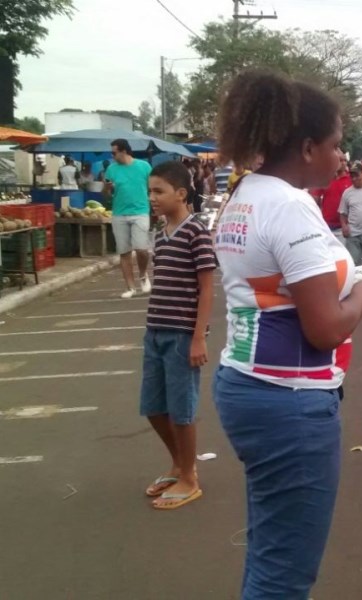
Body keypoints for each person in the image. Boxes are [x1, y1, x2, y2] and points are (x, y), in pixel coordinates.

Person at [213, 69, 362, 598]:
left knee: (269, 548)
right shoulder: (291, 206)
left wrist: (353, 286)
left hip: (250, 383)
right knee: (285, 574)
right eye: (336, 145)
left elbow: (276, 290)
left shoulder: (247, 194)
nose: (342, 157)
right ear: (305, 147)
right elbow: (322, 329)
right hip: (288, 398)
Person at [140, 161, 216, 510]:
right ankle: (178, 464)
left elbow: (206, 289)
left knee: (181, 411)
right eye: (150, 191)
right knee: (155, 408)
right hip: (155, 331)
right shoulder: (161, 233)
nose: (152, 198)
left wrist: (199, 337)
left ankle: (190, 477)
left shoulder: (195, 231)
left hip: (183, 334)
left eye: (159, 191)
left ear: (181, 193)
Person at [105, 139, 153, 298]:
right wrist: (107, 188)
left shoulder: (144, 167)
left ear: (124, 151)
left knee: (142, 249)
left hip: (140, 211)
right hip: (119, 213)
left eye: (114, 152)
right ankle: (130, 287)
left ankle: (143, 274)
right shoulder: (111, 169)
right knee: (124, 252)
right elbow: (105, 194)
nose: (112, 156)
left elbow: (152, 188)